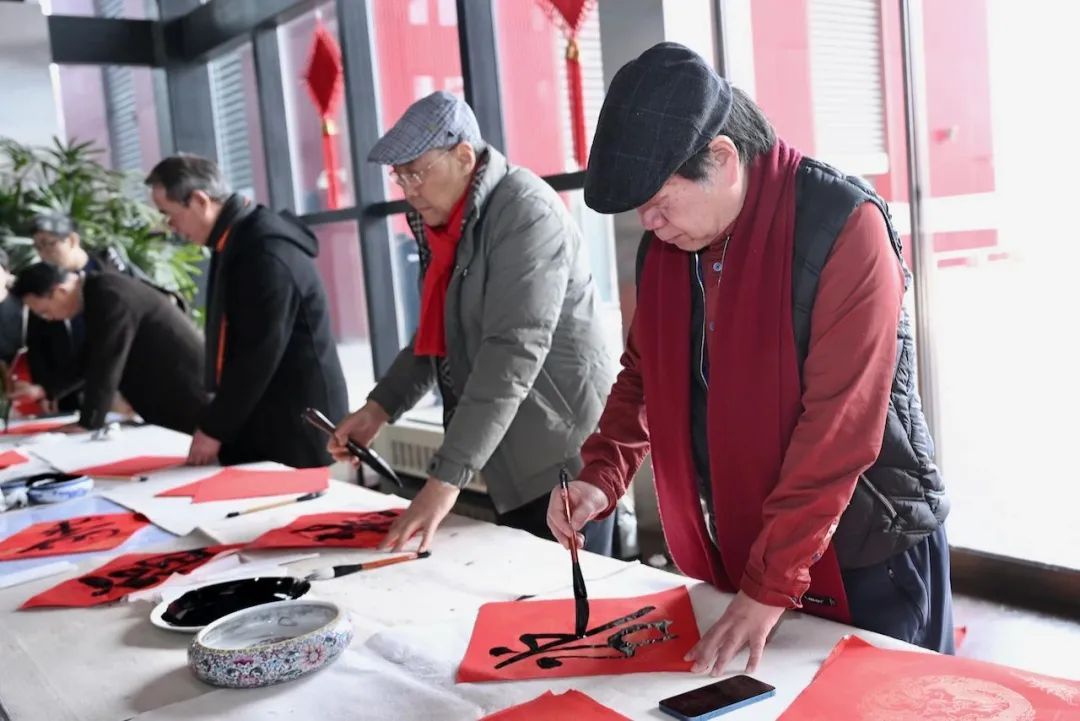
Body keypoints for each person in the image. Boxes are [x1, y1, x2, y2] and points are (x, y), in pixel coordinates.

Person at [547, 43, 953, 674]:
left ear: (722, 158)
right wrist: (601, 476)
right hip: (755, 549)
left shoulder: (844, 226)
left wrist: (768, 587)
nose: (649, 223)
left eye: (659, 200)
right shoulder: (671, 246)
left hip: (868, 545)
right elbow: (645, 375)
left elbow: (839, 429)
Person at [330, 91, 615, 555]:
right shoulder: (449, 226)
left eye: (416, 172)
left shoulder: (525, 212)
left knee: (568, 594)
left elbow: (513, 349)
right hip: (511, 445)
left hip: (560, 449)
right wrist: (378, 408)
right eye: (399, 176)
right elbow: (438, 333)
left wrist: (446, 479)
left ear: (464, 156)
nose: (408, 190)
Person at [145, 155, 348, 468]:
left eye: (169, 215)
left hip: (297, 420)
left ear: (199, 201)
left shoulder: (264, 251)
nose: (170, 227)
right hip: (271, 412)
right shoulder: (239, 237)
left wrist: (214, 428)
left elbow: (257, 352)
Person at [11, 262, 207, 433]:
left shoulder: (109, 294)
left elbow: (106, 360)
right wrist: (45, 390)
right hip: (169, 394)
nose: (48, 319)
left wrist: (89, 422)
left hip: (186, 392)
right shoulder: (96, 292)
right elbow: (90, 356)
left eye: (44, 311)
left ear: (59, 291)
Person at [14, 212, 178, 412]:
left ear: (72, 240)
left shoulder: (108, 271)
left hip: (121, 379)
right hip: (73, 381)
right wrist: (47, 389)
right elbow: (38, 341)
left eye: (49, 244)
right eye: (38, 247)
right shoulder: (41, 283)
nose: (43, 253)